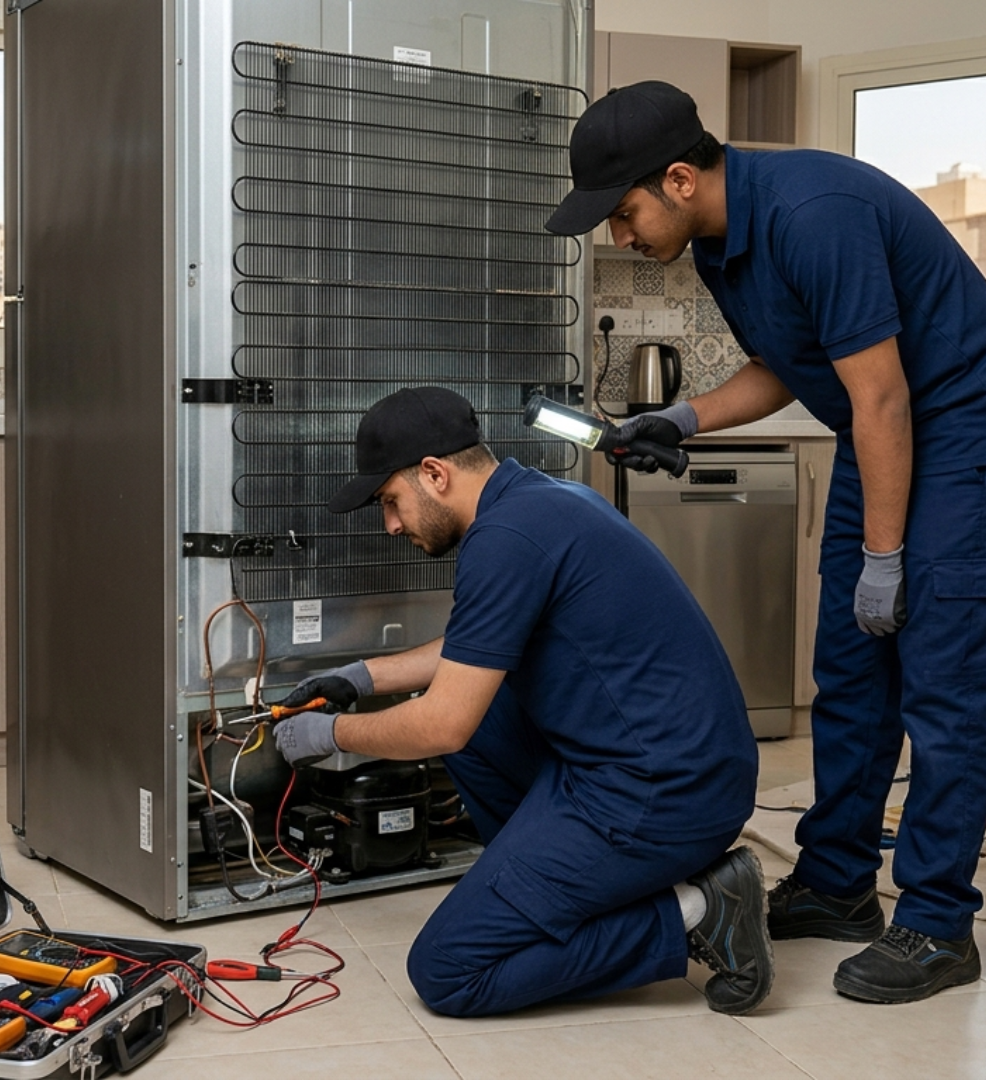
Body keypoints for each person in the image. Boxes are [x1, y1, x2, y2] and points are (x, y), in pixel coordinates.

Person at [544, 81, 986, 1004]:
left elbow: (886, 394)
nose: (619, 236)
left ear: (682, 178)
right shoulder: (721, 246)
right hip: (876, 426)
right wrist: (684, 418)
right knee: (851, 667)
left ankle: (937, 922)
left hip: (963, 426)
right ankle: (841, 882)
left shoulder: (815, 214)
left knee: (941, 674)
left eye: (622, 213)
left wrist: (886, 561)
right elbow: (788, 363)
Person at [270, 385, 772, 1019]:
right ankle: (553, 890)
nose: (390, 524)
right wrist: (361, 676)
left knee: (448, 970)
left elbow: (444, 724)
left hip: (663, 793)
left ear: (434, 474)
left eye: (390, 502)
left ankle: (698, 910)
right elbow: (475, 644)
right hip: (662, 767)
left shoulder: (506, 536)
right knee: (481, 711)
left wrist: (333, 735)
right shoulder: (536, 501)